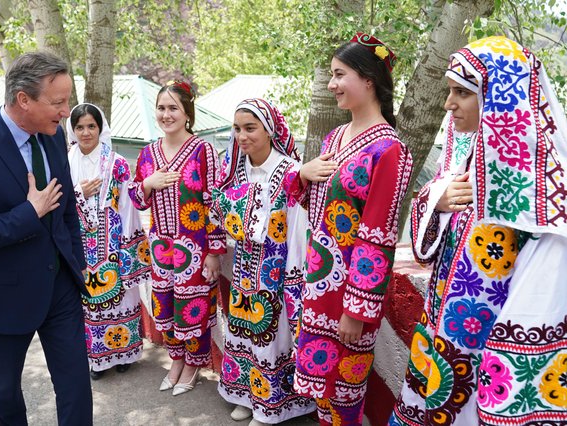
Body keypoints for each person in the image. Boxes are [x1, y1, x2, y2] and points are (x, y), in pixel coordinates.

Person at [390, 36, 567, 425]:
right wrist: (435, 199)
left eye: (461, 92)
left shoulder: (538, 191)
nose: (448, 103)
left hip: (487, 354)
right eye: (449, 90)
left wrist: (503, 368)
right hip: (441, 337)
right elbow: (429, 241)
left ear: (499, 98)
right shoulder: (468, 157)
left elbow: (544, 294)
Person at [0, 51, 92, 425]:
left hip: (59, 286)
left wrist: (78, 263)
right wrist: (29, 212)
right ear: (24, 99)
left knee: (75, 385)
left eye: (67, 99)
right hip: (0, 294)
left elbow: (67, 207)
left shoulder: (54, 138)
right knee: (6, 394)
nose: (66, 110)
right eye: (58, 102)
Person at [288, 33, 413, 426]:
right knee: (318, 391)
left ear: (368, 79)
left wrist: (357, 309)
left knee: (344, 393)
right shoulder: (336, 137)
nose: (332, 84)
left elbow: (378, 236)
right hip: (317, 285)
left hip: (349, 297)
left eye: (340, 74)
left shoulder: (389, 150)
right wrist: (302, 175)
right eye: (331, 75)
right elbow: (321, 210)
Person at [212, 98, 316, 426]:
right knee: (243, 331)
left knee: (272, 335)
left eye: (250, 128)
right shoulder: (235, 170)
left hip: (278, 270)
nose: (242, 136)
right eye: (238, 129)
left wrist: (295, 273)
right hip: (245, 268)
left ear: (270, 130)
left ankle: (270, 406)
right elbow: (217, 210)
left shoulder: (290, 171)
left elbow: (301, 223)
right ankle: (246, 393)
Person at [128, 80, 226, 396]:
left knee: (193, 307)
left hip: (194, 248)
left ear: (187, 114)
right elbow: (136, 197)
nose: (166, 114)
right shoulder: (147, 153)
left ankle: (194, 362)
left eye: (173, 108)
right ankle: (176, 360)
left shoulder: (203, 150)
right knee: (166, 306)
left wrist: (213, 250)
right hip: (160, 249)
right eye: (161, 108)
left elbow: (214, 202)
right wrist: (148, 184)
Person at [67, 103, 152, 380]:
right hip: (81, 245)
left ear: (100, 129)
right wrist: (78, 192)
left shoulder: (115, 163)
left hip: (114, 242)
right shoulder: (66, 161)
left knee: (122, 298)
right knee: (90, 302)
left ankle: (126, 353)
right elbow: (59, 202)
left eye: (91, 126)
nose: (86, 132)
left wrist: (129, 247)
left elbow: (127, 205)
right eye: (80, 127)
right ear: (73, 130)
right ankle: (98, 359)